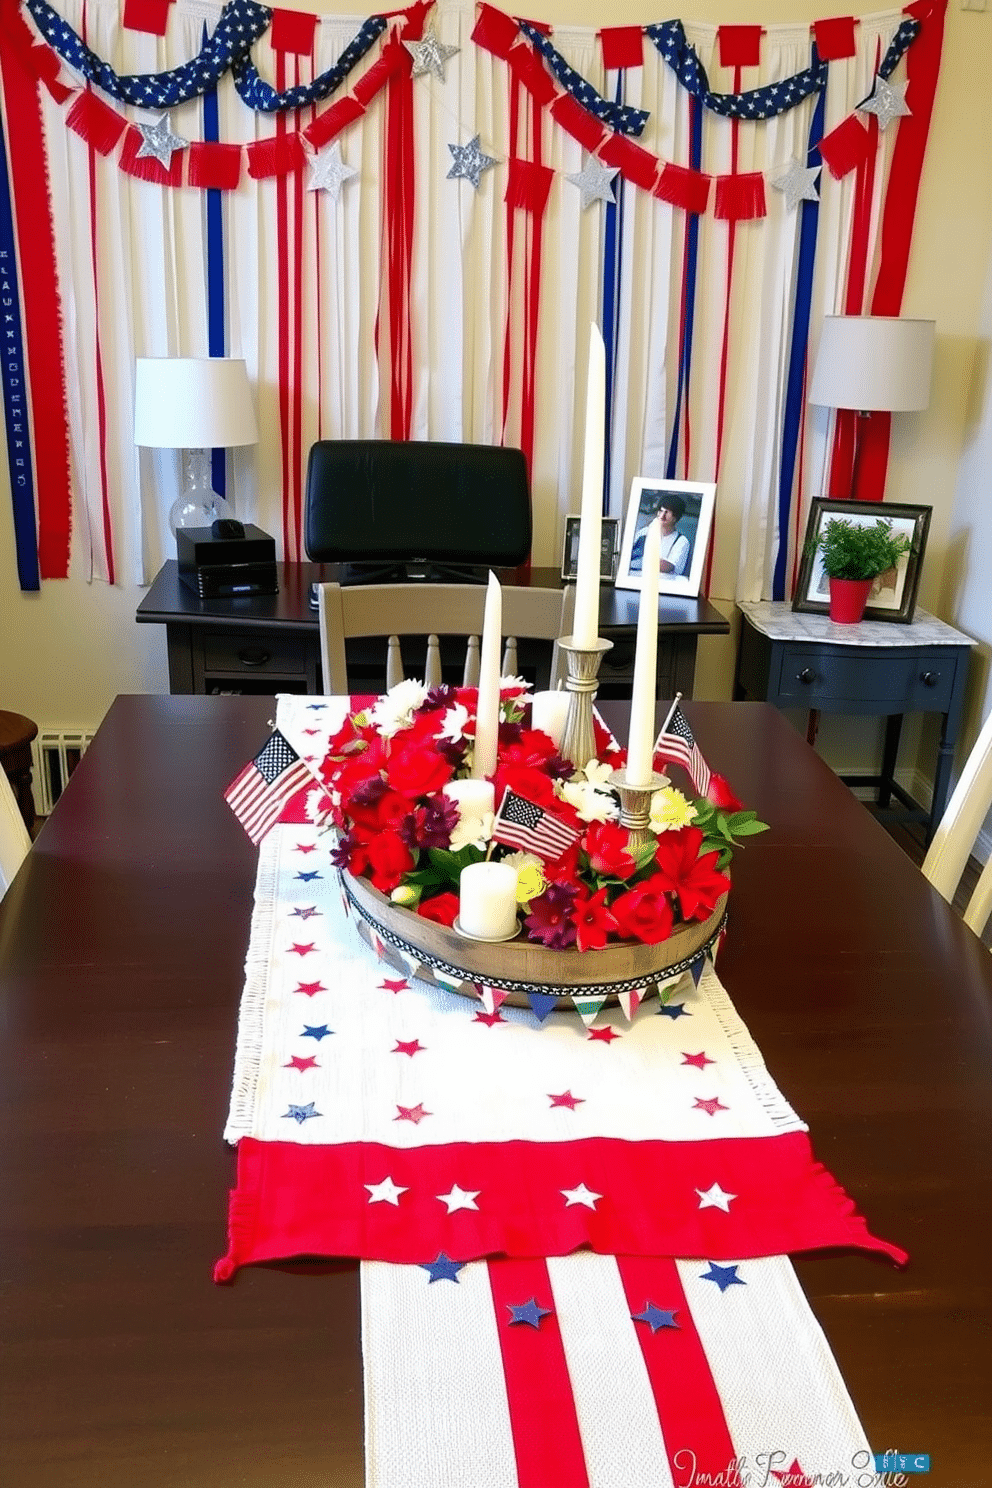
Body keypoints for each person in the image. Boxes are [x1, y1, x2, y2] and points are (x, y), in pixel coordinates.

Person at [631, 493, 691, 576]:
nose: (662, 516)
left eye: (667, 512)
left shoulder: (682, 541)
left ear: (676, 517)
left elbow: (669, 567)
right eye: (661, 511)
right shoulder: (644, 532)